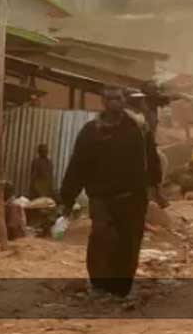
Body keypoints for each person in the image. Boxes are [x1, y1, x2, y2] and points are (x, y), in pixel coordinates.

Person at [59, 88, 163, 298]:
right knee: (102, 239)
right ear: (103, 101)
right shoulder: (91, 132)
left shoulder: (138, 128)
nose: (115, 102)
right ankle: (100, 286)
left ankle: (121, 290)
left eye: (119, 98)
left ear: (124, 101)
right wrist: (67, 198)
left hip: (133, 198)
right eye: (110, 98)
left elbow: (152, 159)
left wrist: (155, 186)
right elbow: (78, 165)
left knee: (129, 243)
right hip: (102, 199)